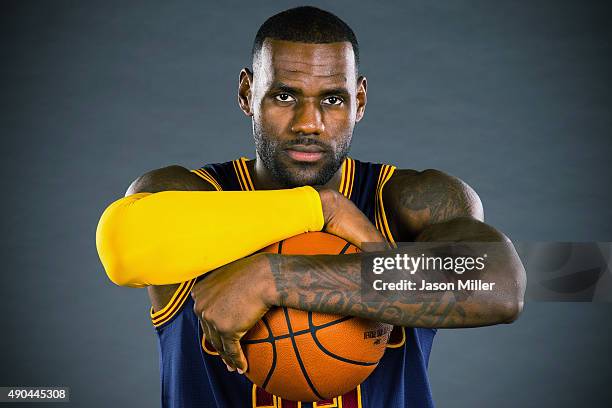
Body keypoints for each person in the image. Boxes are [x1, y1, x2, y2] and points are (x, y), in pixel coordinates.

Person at [96, 6, 525, 407]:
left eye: (332, 99)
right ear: (247, 93)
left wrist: (273, 279)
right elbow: (124, 248)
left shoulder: (406, 201)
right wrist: (318, 207)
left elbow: (500, 287)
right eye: (284, 96)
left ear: (360, 100)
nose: (308, 122)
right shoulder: (191, 196)